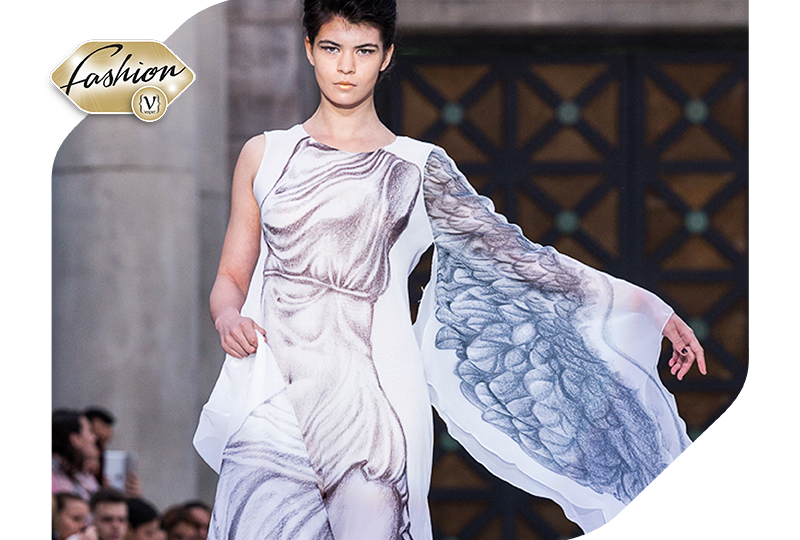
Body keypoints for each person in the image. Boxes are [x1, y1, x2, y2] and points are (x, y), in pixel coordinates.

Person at [192, 0, 706, 538]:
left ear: (387, 56)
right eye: (331, 48)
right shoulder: (265, 155)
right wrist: (228, 317)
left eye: (363, 50)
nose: (346, 66)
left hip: (377, 396)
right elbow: (231, 278)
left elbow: (516, 257)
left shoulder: (421, 166)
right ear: (308, 50)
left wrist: (648, 306)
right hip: (275, 386)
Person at [52, 409, 101, 500]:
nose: (94, 438)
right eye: (90, 431)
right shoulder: (55, 478)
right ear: (75, 439)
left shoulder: (80, 473)